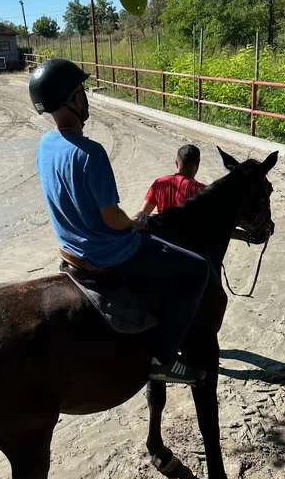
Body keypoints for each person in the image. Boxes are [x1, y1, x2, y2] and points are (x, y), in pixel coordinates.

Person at [31, 58, 209, 385]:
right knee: (197, 269)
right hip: (108, 252)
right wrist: (133, 223)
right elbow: (113, 219)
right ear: (71, 99)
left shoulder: (45, 144)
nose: (86, 97)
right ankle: (165, 359)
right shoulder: (90, 152)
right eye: (82, 91)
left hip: (71, 247)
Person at [136, 144, 206, 223]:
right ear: (197, 165)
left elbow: (140, 216)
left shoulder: (159, 183)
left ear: (176, 163)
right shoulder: (202, 191)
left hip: (161, 230)